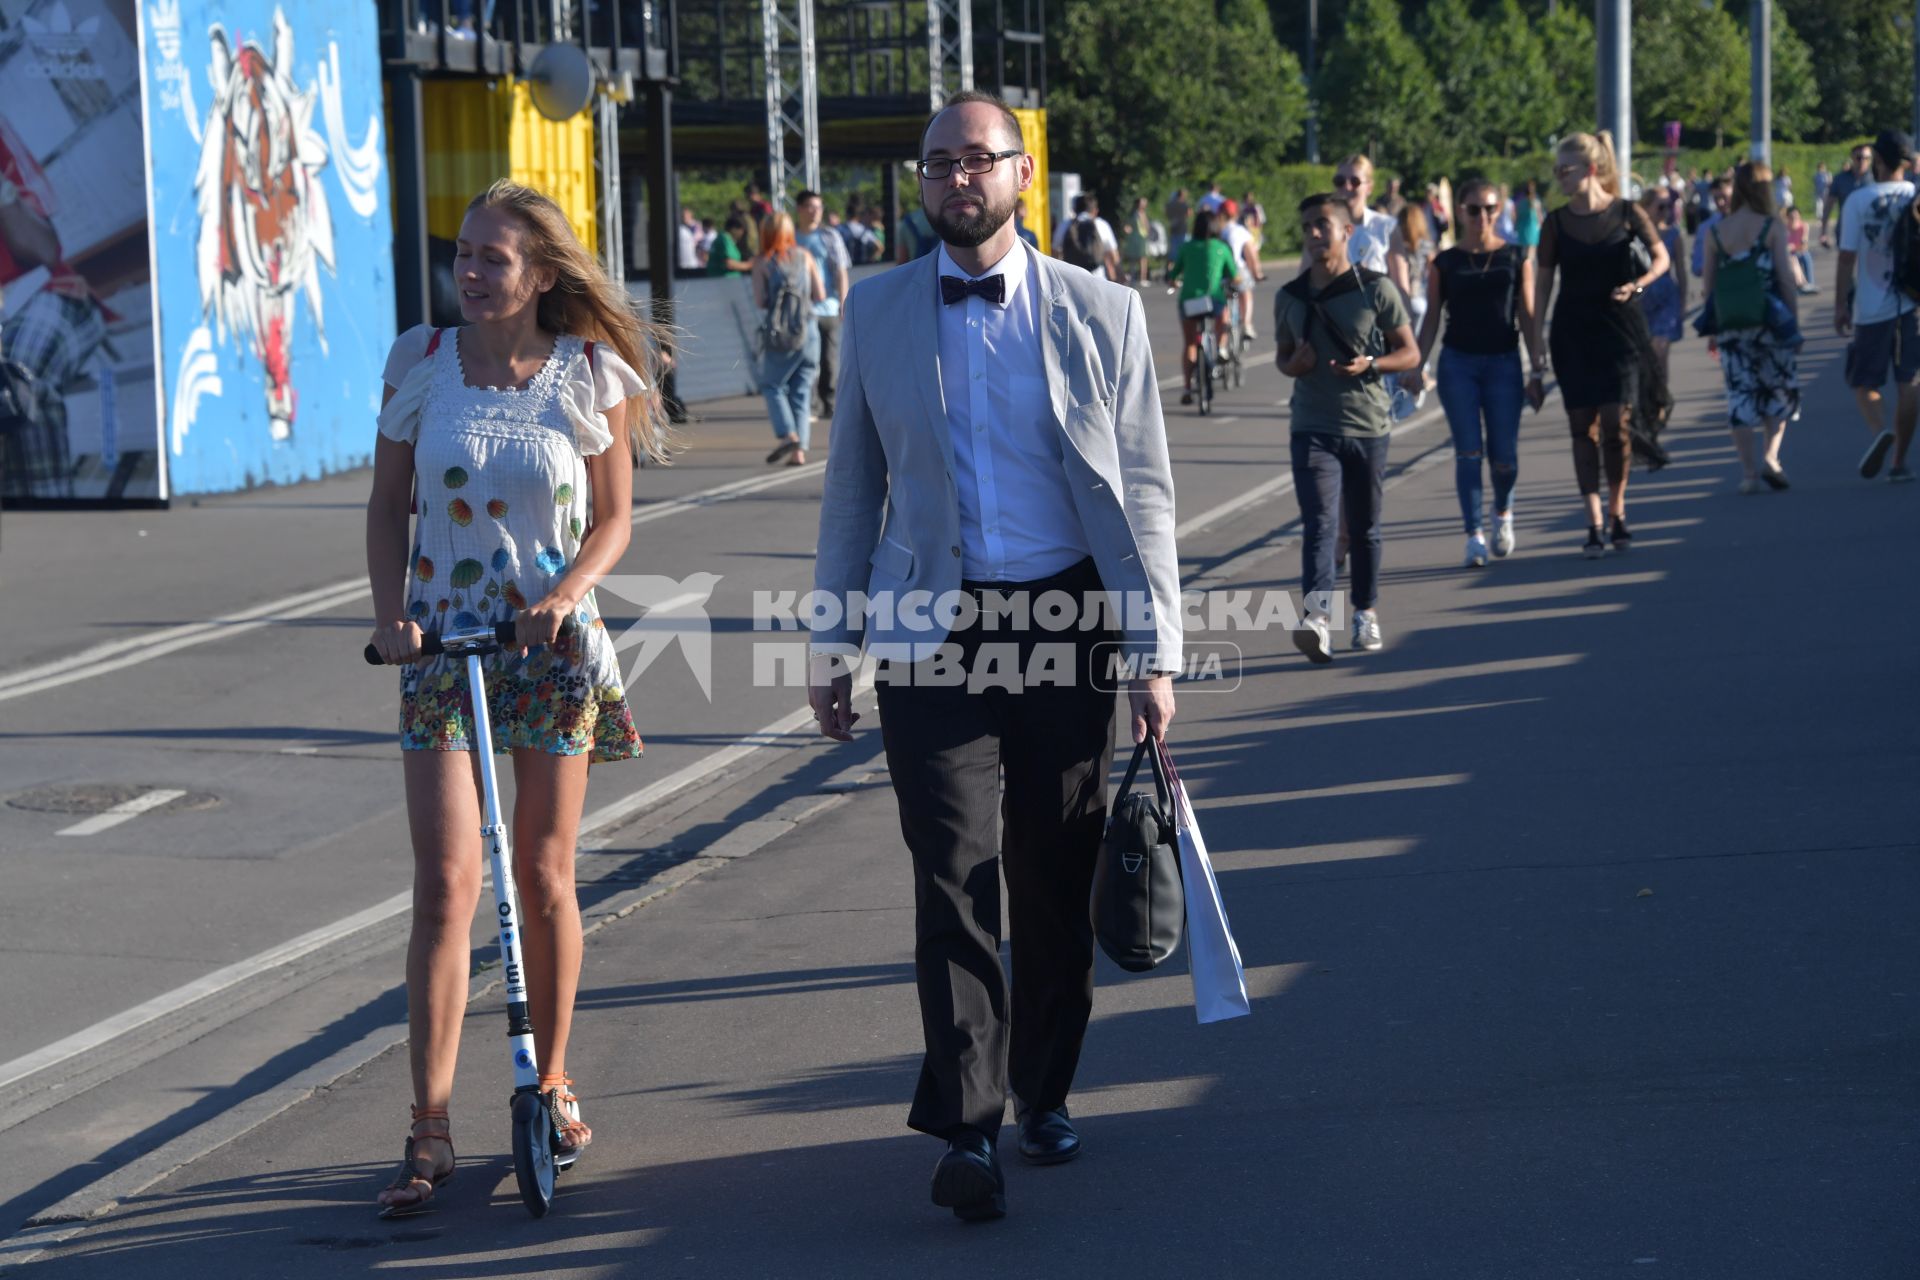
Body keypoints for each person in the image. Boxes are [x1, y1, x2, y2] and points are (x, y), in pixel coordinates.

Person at [807, 90, 1180, 1224]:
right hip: (934, 628)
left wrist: (1155, 651)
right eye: (938, 164)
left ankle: (1043, 1089)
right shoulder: (873, 314)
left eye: (979, 160)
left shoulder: (1102, 311)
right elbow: (852, 490)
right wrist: (832, 636)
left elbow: (1147, 491)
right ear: (921, 184)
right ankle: (966, 1121)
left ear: (1022, 175)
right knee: (952, 868)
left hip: (1068, 620)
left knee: (1053, 870)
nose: (957, 179)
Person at [365, 180, 668, 1217]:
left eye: (494, 257)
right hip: (444, 643)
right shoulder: (419, 363)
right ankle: (430, 1123)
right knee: (448, 880)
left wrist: (566, 593)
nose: (471, 271)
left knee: (542, 870)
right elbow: (387, 504)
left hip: (548, 641)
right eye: (464, 253)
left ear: (542, 273)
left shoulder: (589, 372)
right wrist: (391, 612)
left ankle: (551, 1077)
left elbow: (617, 519)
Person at [1275, 193, 1420, 659]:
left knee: (1364, 528)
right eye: (1308, 227)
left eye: (1323, 225)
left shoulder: (1375, 290)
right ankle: (1317, 619)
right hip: (1311, 425)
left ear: (1346, 232)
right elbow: (1283, 358)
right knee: (1319, 524)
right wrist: (1293, 364)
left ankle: (1365, 613)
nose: (1314, 234)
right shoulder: (1290, 296)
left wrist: (1372, 364)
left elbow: (1410, 352)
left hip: (1367, 425)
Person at [1532, 130, 1671, 559]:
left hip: (1622, 329)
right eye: (1556, 170)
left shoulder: (1628, 212)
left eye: (1565, 170)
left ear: (1590, 170)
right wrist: (1535, 344)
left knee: (1615, 422)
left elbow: (1661, 257)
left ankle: (1617, 511)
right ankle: (1594, 521)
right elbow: (1542, 285)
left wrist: (1640, 284)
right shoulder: (1554, 223)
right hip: (1573, 331)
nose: (1559, 177)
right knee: (1582, 427)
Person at [1406, 178, 1545, 567]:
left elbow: (1529, 315)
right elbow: (1431, 316)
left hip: (1503, 362)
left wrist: (1538, 367)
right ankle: (1474, 536)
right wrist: (1416, 364)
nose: (1481, 216)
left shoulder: (1517, 257)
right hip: (1458, 364)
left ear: (1499, 211)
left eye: (1489, 209)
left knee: (1504, 458)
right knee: (1468, 453)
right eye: (1473, 209)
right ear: (1460, 212)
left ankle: (1502, 511)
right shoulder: (1445, 262)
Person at [1702, 161, 1800, 494]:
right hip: (1769, 321)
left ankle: (1748, 473)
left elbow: (1709, 287)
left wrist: (1713, 328)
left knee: (1739, 395)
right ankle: (1771, 456)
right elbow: (1786, 279)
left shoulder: (1717, 232)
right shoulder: (1771, 226)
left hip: (1732, 323)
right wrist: (1794, 322)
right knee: (1776, 388)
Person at [1835, 129, 1919, 483]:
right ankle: (1899, 461)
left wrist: (1840, 304)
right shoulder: (1916, 196)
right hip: (1913, 303)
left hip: (1871, 305)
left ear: (1879, 161)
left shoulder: (1858, 200)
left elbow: (1846, 258)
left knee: (1864, 382)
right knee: (1910, 383)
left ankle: (1879, 430)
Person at [751, 211, 826, 466]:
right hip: (809, 333)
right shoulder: (805, 256)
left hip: (780, 335)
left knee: (773, 385)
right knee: (801, 390)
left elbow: (761, 301)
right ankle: (799, 452)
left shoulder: (762, 262)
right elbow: (820, 294)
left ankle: (788, 435)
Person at [1167, 207, 1240, 403]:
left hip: (1189, 301)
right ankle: (1222, 347)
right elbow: (1235, 276)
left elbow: (1173, 276)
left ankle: (1187, 387)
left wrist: (1174, 281)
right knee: (1223, 316)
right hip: (1213, 301)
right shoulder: (1221, 248)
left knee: (1190, 343)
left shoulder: (1186, 248)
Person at [795, 189, 850, 424]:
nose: (815, 212)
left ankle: (829, 403)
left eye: (818, 207)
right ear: (799, 209)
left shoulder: (829, 236)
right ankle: (811, 405)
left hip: (827, 306)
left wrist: (843, 301)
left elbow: (840, 269)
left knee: (829, 358)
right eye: (810, 207)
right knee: (808, 360)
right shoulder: (791, 238)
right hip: (801, 309)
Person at [1639, 187, 1688, 403]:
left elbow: (1681, 271)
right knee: (1646, 353)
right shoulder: (1636, 234)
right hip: (1642, 298)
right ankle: (1647, 396)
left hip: (1666, 296)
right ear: (1646, 207)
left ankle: (1660, 398)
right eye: (1661, 206)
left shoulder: (1673, 234)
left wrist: (1684, 303)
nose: (1666, 211)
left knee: (1661, 349)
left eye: (1669, 206)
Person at [1218, 201, 1264, 341]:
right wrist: (1257, 273)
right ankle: (1247, 324)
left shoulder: (1216, 230)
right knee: (1246, 293)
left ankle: (1222, 344)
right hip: (1237, 269)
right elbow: (1251, 255)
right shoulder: (1239, 231)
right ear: (1236, 214)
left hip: (1219, 272)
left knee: (1222, 302)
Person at [1054, 193, 1121, 278]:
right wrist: (1119, 273)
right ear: (1095, 211)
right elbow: (1113, 253)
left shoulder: (1065, 225)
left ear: (1074, 210)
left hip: (1071, 277)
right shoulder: (1101, 224)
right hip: (1096, 276)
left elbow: (1055, 251)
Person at [1822, 144, 1872, 249]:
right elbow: (1829, 205)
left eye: (1867, 158)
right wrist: (1823, 231)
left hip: (1869, 230)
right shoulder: (1840, 179)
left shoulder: (1876, 179)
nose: (1863, 161)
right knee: (1846, 263)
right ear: (1852, 158)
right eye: (1859, 158)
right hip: (1845, 229)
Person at [1691, 178, 1732, 280]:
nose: (1720, 203)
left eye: (1725, 197)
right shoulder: (1706, 228)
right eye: (1716, 198)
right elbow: (1697, 266)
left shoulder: (1751, 224)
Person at [1120, 196, 1152, 285]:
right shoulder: (1134, 214)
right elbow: (1127, 225)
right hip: (1134, 238)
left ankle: (1143, 278)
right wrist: (1126, 229)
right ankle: (1133, 277)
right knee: (1133, 258)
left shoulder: (1143, 213)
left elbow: (1146, 226)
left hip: (1142, 238)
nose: (1144, 204)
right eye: (1143, 203)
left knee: (1143, 258)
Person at [1783, 205, 1815, 293]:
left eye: (1796, 217)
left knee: (1805, 256)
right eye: (1792, 217)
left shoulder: (1803, 226)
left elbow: (1804, 246)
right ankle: (1801, 283)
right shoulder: (1784, 228)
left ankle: (1810, 282)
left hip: (1799, 251)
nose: (1794, 219)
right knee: (1793, 259)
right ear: (1788, 218)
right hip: (1788, 254)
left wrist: (1793, 246)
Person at [1512, 179, 1543, 259]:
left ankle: (1523, 268)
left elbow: (1517, 217)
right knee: (1530, 255)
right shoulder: (1536, 203)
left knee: (1522, 254)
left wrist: (1515, 228)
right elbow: (1540, 218)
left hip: (1522, 229)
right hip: (1533, 229)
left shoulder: (1520, 203)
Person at [1165, 187, 1192, 275]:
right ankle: (1181, 272)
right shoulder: (1184, 204)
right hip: (1182, 230)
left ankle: (1169, 271)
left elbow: (1167, 214)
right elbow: (1189, 214)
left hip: (1173, 229)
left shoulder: (1171, 204)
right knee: (1182, 252)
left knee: (1172, 252)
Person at [675, 205, 704, 272]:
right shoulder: (681, 227)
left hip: (695, 260)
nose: (684, 216)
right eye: (683, 214)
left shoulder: (696, 226)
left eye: (686, 214)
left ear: (691, 214)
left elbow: (698, 240)